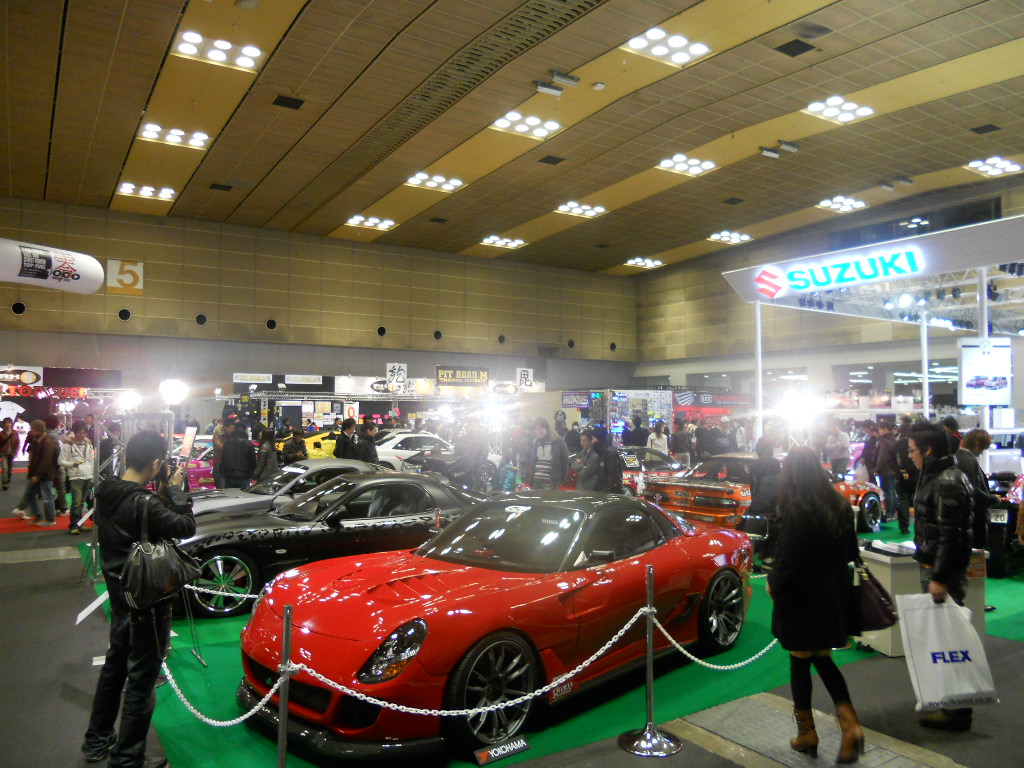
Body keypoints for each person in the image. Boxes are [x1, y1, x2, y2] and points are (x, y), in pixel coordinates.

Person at [81, 430, 194, 768]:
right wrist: (176, 489)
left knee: (114, 669)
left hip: (119, 597)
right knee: (141, 682)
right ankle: (128, 758)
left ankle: (96, 740)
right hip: (147, 603)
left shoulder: (106, 492)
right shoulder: (145, 503)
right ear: (156, 463)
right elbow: (185, 526)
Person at [767, 447, 863, 764]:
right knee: (822, 657)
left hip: (801, 598)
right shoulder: (839, 504)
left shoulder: (795, 509)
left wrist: (773, 583)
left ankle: (807, 733)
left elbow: (788, 563)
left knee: (800, 659)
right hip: (833, 595)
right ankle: (850, 726)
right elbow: (851, 552)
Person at [908, 421, 974, 731]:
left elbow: (951, 536)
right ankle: (952, 707)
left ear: (928, 450)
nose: (909, 456)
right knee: (944, 641)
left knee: (950, 643)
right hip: (934, 567)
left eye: (912, 450)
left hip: (940, 571)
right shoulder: (938, 476)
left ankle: (957, 712)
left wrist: (940, 576)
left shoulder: (947, 481)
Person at [956, 429, 1008, 555]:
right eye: (982, 448)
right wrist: (992, 499)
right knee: (975, 554)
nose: (981, 453)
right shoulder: (969, 460)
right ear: (977, 444)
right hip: (973, 517)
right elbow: (972, 490)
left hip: (964, 516)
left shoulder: (957, 457)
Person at [61, 420, 95, 535]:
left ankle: (80, 524)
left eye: (84, 432)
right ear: (75, 432)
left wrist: (93, 476)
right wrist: (72, 464)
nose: (82, 435)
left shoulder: (88, 445)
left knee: (82, 502)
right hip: (75, 477)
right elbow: (61, 461)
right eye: (80, 432)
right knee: (76, 502)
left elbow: (91, 461)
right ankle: (73, 525)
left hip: (88, 476)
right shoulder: (67, 445)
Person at [25, 417, 61, 527]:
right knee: (30, 495)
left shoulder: (47, 443)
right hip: (37, 474)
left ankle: (50, 519)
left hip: (44, 475)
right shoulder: (38, 441)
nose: (31, 431)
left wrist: (37, 475)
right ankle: (38, 515)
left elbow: (46, 461)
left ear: (38, 430)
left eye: (32, 429)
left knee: (47, 497)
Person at [526, 418, 569, 489]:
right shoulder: (535, 442)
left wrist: (563, 478)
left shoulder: (557, 440)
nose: (538, 431)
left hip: (551, 481)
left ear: (546, 428)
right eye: (536, 429)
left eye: (541, 428)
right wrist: (531, 478)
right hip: (536, 480)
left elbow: (565, 460)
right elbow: (533, 462)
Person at [894, 416, 917, 535]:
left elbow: (893, 459)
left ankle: (904, 527)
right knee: (919, 500)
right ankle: (920, 525)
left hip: (902, 475)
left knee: (903, 500)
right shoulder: (917, 442)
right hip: (916, 475)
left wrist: (901, 471)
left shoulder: (898, 442)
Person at [875, 421, 899, 524]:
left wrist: (877, 469)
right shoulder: (894, 439)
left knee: (887, 491)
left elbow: (882, 457)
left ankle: (889, 514)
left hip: (885, 469)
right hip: (893, 468)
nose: (879, 432)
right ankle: (893, 513)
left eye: (880, 429)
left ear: (885, 429)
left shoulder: (884, 441)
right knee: (893, 491)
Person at [220, 421, 255, 489]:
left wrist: (222, 473)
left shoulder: (227, 443)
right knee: (243, 494)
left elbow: (223, 459)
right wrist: (253, 473)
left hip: (230, 475)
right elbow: (252, 460)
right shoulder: (248, 444)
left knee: (230, 494)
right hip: (244, 475)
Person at [0, 416, 20, 490]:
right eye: (6, 423)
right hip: (3, 453)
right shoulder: (1, 433)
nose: (8, 424)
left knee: (10, 470)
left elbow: (17, 443)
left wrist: (15, 452)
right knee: (4, 468)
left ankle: (8, 481)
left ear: (11, 424)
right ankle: (4, 483)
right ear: (4, 424)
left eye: (9, 423)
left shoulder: (15, 433)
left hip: (11, 454)